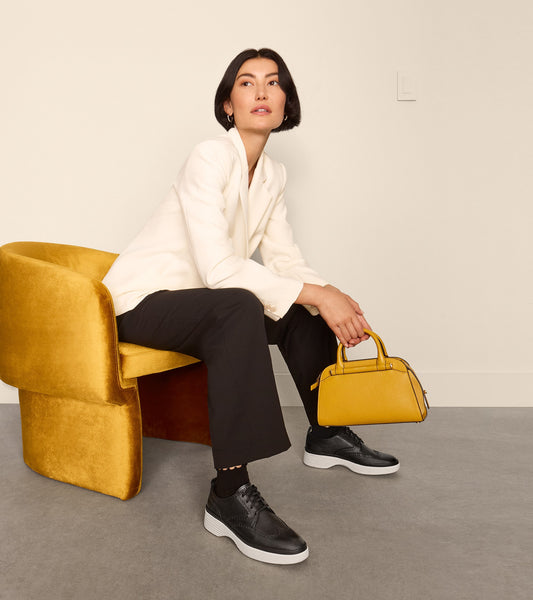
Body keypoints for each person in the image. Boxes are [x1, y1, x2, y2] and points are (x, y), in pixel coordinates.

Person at [103, 48, 399, 565]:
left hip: (202, 304)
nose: (261, 92)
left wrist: (331, 296)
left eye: (273, 82)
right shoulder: (209, 156)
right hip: (143, 302)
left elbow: (286, 261)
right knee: (242, 304)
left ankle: (327, 431)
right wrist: (316, 293)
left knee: (300, 306)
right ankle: (229, 493)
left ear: (285, 103)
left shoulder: (273, 175)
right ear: (228, 105)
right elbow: (219, 270)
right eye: (246, 82)